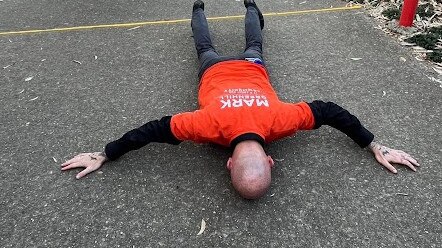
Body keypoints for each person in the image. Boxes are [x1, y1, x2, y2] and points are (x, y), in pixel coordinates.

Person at [61, 0, 419, 199]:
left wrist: (374, 144)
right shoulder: (205, 128)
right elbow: (149, 131)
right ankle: (210, 9)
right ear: (268, 161)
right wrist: (104, 153)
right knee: (206, 48)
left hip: (246, 65)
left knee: (251, 45)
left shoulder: (281, 120)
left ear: (233, 165)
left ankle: (223, 6)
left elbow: (329, 111)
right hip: (215, 69)